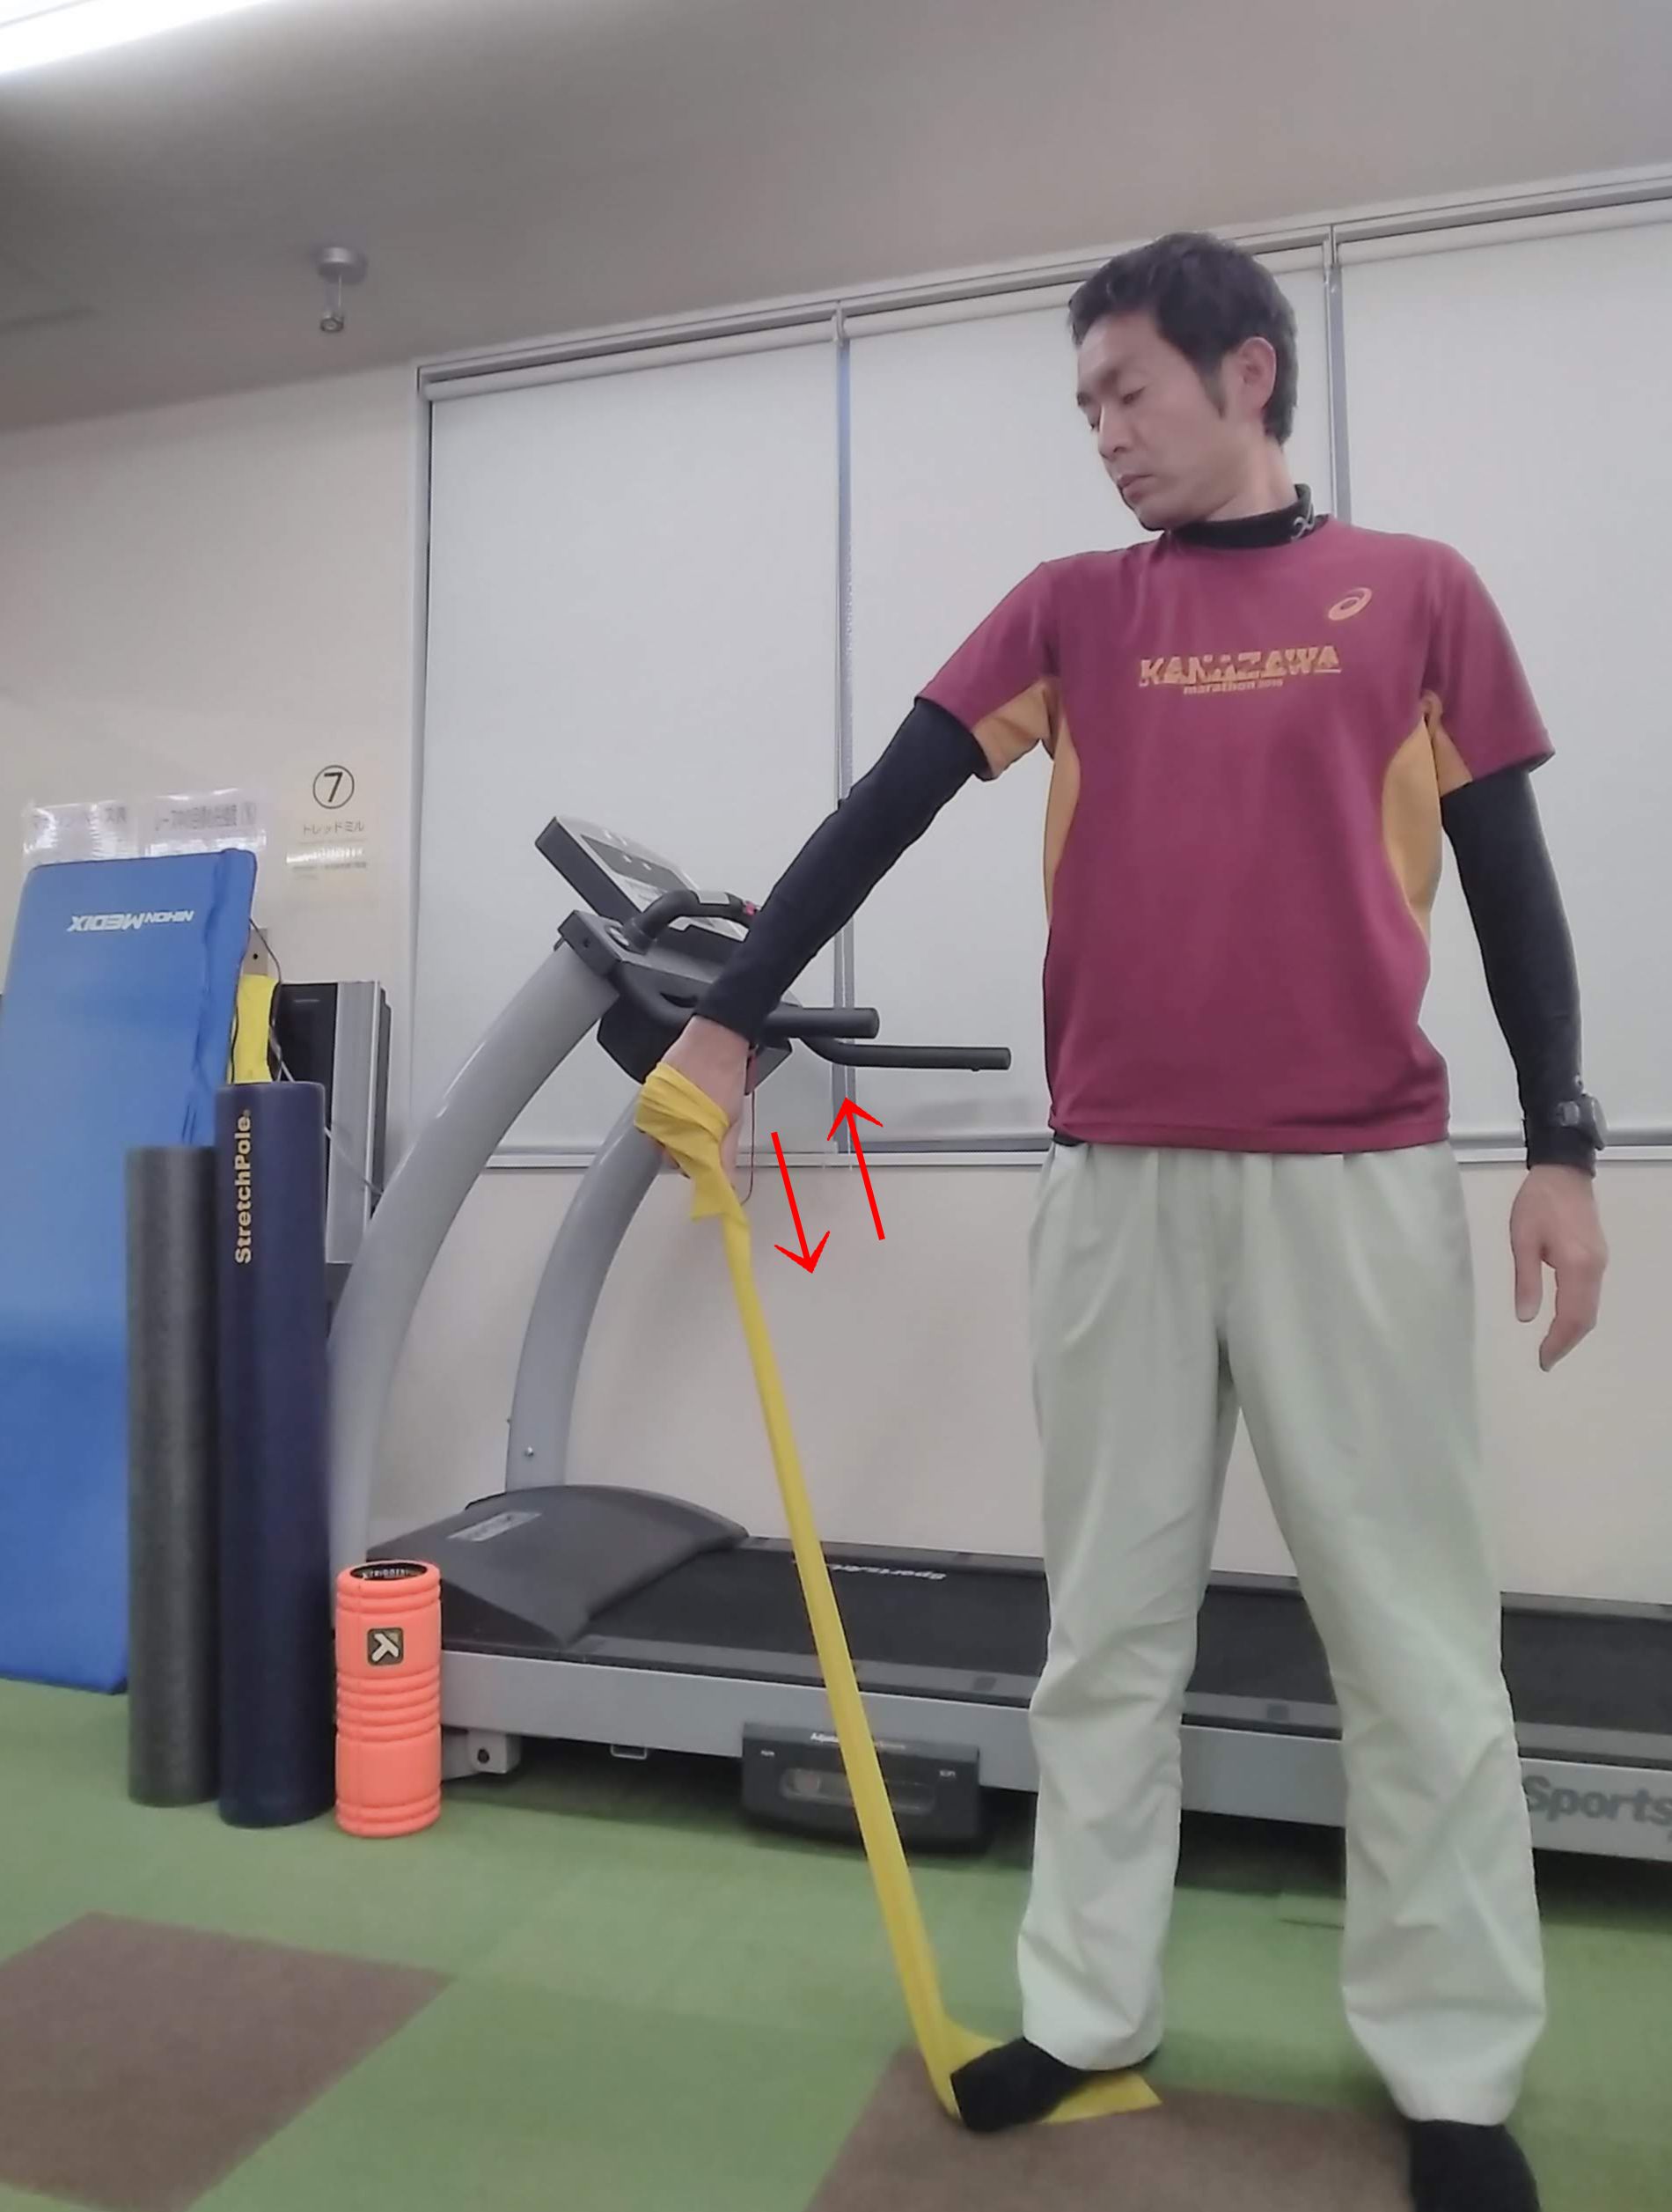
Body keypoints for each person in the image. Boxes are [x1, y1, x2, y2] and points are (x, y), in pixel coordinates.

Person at [661, 231, 1608, 2212]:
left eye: (1130, 390)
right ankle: (1087, 2006)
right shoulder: (1071, 610)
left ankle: (1451, 2068)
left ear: (1245, 373)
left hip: (1354, 1181)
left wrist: (1563, 1147)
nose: (1102, 431)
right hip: (1115, 1185)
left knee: (1415, 1647)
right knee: (1103, 1631)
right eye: (1084, 401)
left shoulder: (1416, 593)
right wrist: (732, 1017)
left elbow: (1514, 883)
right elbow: (882, 806)